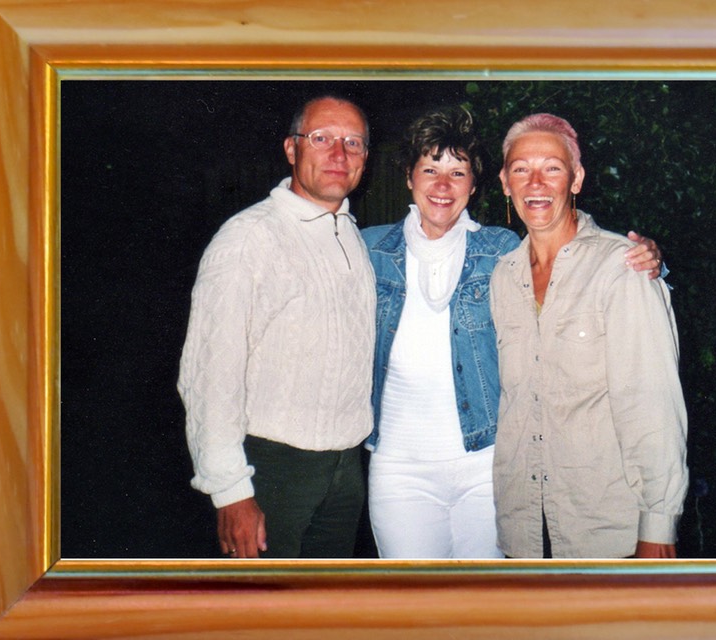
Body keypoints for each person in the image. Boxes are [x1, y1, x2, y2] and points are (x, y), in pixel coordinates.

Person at [361, 107, 664, 558]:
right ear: (408, 177)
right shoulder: (365, 248)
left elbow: (581, 259)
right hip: (399, 469)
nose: (443, 185)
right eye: (429, 169)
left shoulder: (500, 253)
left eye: (457, 172)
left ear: (476, 185)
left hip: (488, 466)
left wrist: (652, 265)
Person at [178, 96, 376, 558]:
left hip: (346, 468)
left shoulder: (348, 233)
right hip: (273, 469)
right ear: (291, 149)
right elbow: (209, 372)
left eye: (353, 143)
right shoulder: (250, 238)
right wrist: (230, 491)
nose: (339, 155)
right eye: (322, 139)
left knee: (325, 612)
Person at [490, 113, 689, 559]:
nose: (535, 182)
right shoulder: (503, 276)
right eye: (521, 169)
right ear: (505, 182)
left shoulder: (624, 268)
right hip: (521, 528)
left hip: (603, 528)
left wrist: (658, 524)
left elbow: (652, 406)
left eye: (553, 168)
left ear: (576, 179)